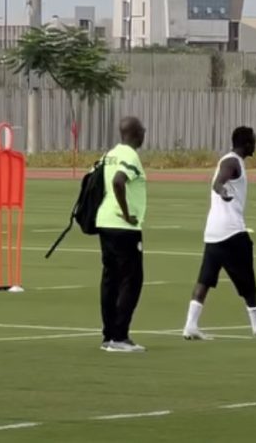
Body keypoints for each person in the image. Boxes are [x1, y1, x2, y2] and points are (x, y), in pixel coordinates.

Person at [183, 127, 256, 340]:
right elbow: (218, 182)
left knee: (205, 278)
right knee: (247, 279)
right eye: (253, 142)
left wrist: (223, 189)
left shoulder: (232, 161)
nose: (255, 145)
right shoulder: (232, 162)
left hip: (213, 232)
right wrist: (223, 191)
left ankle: (190, 325)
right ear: (246, 144)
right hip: (231, 232)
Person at [96, 117, 148, 352]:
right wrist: (126, 214)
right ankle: (120, 336)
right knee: (131, 280)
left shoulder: (110, 154)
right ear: (136, 133)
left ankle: (109, 335)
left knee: (111, 279)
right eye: (142, 130)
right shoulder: (129, 155)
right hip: (123, 227)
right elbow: (119, 182)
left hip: (105, 223)